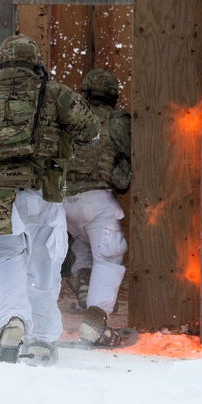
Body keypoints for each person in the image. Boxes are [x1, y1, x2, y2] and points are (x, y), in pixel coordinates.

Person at [0, 34, 98, 366]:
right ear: (35, 62)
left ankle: (12, 321)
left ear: (1, 63)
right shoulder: (53, 93)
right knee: (43, 264)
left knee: (5, 259)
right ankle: (40, 340)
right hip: (42, 191)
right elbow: (90, 129)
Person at [63, 69, 132, 346]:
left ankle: (84, 281)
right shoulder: (117, 121)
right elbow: (132, 154)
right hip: (97, 201)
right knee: (108, 256)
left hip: (63, 201)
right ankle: (95, 324)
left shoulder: (69, 117)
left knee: (84, 241)